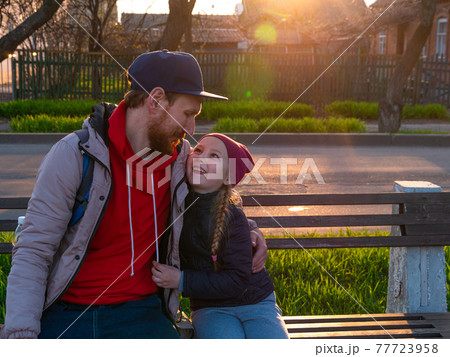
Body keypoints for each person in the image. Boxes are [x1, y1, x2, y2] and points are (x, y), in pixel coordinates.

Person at [2, 50, 267, 339]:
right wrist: (21, 335)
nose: (192, 130)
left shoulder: (181, 160)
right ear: (155, 100)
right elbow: (34, 249)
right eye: (188, 114)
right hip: (68, 311)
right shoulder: (75, 155)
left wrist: (248, 229)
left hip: (142, 311)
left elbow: (216, 197)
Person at [152, 134, 289, 339]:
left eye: (214, 156)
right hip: (211, 308)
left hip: (256, 302)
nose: (201, 157)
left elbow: (237, 279)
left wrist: (181, 280)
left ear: (227, 177)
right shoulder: (176, 202)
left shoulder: (232, 215)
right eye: (198, 150)